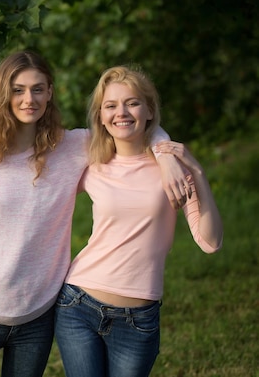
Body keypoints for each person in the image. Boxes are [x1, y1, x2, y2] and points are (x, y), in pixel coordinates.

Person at [0, 51, 189, 377]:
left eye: (38, 88)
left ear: (49, 93)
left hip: (38, 318)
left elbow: (132, 125)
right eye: (18, 89)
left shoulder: (73, 148)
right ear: (3, 94)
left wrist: (166, 153)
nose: (29, 98)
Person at [53, 65, 224, 377]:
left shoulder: (173, 167)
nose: (122, 112)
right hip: (78, 304)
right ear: (101, 116)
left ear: (149, 109)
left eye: (132, 102)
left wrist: (197, 174)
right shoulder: (91, 160)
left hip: (139, 317)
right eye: (111, 105)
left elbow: (210, 242)